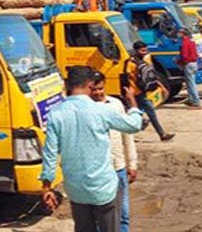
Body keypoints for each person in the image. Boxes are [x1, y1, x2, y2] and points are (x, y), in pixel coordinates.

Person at [40, 66, 143, 232]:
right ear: (89, 85)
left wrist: (47, 187)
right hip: (104, 188)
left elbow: (50, 154)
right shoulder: (101, 110)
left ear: (67, 85)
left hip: (76, 190)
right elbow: (134, 125)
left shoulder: (55, 114)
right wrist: (132, 103)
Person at [91, 71, 138, 232]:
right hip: (99, 172)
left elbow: (127, 136)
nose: (98, 93)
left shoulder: (115, 104)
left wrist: (132, 164)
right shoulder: (87, 109)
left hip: (118, 168)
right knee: (100, 217)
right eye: (94, 89)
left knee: (123, 214)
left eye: (100, 89)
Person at [126, 41, 175, 141]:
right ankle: (162, 134)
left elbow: (151, 76)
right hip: (136, 92)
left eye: (145, 50)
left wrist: (161, 87)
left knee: (135, 113)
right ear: (136, 50)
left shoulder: (144, 61)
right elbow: (128, 78)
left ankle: (132, 131)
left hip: (142, 91)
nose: (145, 52)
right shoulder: (130, 63)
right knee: (150, 111)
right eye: (142, 50)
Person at [176, 28, 201, 109]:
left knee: (191, 84)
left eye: (179, 33)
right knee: (189, 83)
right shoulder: (192, 41)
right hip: (194, 63)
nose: (178, 34)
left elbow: (185, 56)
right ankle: (191, 100)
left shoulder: (185, 43)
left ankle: (196, 103)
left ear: (183, 34)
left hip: (188, 64)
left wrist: (178, 61)